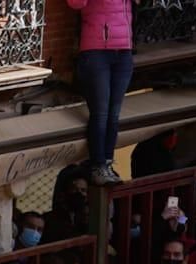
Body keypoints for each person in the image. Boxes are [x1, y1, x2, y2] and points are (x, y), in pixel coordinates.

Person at [69, 0, 133, 185]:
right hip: (96, 51)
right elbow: (75, 3)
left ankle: (107, 162)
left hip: (124, 51)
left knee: (114, 115)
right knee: (101, 113)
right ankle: (97, 165)